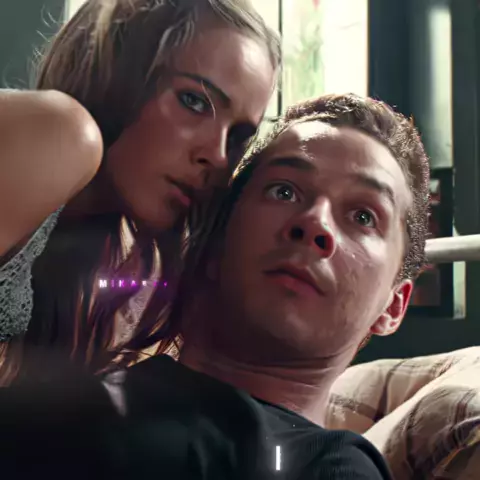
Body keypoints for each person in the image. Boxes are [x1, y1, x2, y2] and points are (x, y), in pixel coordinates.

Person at [0, 93, 429, 479]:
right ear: (213, 244)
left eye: (363, 217)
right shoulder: (60, 391)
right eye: (284, 191)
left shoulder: (328, 466)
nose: (315, 223)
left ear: (394, 306)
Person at [0, 0, 280, 384]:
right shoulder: (62, 133)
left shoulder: (97, 253)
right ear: (118, 70)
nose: (217, 156)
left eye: (237, 137)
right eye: (194, 101)